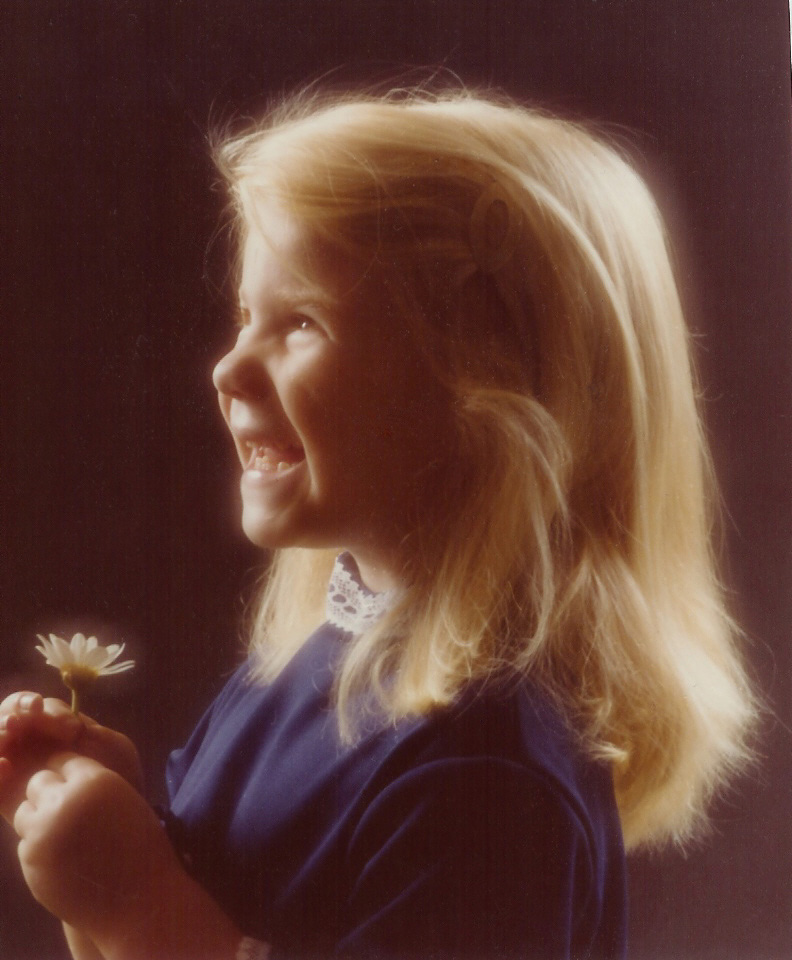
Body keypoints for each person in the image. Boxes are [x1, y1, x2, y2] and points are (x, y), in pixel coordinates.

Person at [0, 85, 757, 960]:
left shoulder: (487, 779)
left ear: (485, 391)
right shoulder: (312, 660)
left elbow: (183, 930)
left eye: (302, 323)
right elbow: (241, 900)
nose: (229, 367)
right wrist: (120, 836)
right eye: (249, 316)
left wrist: (141, 908)